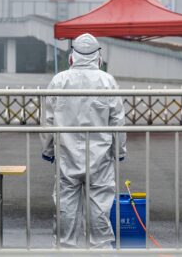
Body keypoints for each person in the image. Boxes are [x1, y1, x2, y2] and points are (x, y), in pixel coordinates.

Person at [40, 33, 126, 248]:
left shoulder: (59, 80)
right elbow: (118, 121)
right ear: (98, 57)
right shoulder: (107, 81)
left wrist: (48, 149)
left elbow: (48, 120)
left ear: (72, 57)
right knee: (100, 207)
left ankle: (64, 249)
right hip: (100, 156)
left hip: (66, 154)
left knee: (65, 206)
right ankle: (102, 250)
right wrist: (119, 151)